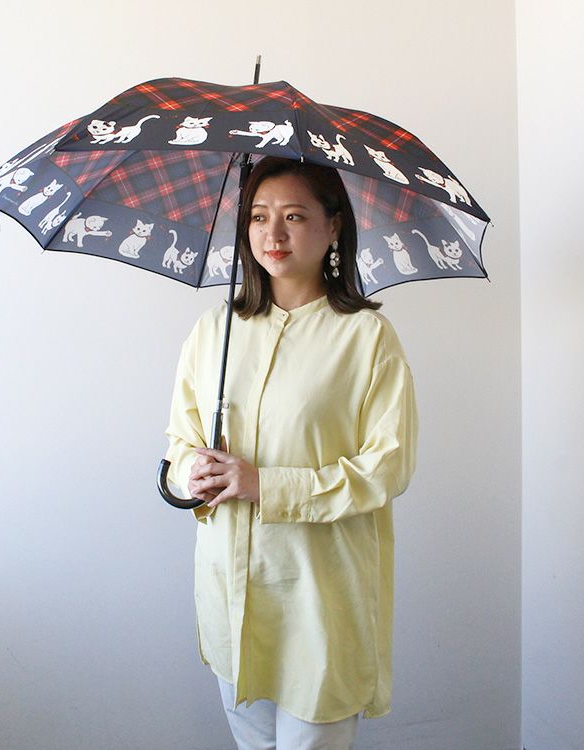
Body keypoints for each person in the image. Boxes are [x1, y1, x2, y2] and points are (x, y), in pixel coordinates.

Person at [165, 156, 418, 750]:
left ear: (333, 226)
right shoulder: (215, 331)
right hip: (232, 592)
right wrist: (193, 472)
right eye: (258, 216)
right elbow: (178, 443)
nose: (272, 234)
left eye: (294, 216)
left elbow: (388, 467)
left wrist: (266, 485)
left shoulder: (366, 338)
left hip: (318, 598)